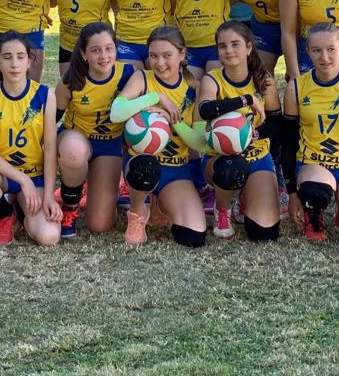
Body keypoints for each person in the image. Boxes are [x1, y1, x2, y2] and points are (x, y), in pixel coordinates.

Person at [281, 23, 339, 248]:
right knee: (315, 193)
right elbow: (288, 145)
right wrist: (293, 193)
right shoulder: (297, 88)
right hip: (313, 166)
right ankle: (313, 216)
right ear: (308, 52)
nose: (324, 57)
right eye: (317, 50)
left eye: (331, 49)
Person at [0, 31, 61, 246]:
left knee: (49, 237)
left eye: (20, 56)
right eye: (7, 57)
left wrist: (48, 195)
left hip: (35, 176)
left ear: (29, 61)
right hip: (4, 177)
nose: (14, 63)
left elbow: (51, 150)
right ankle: (6, 217)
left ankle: (26, 213)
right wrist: (22, 180)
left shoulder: (45, 95)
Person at [115, 26, 206, 248]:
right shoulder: (142, 78)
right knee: (145, 166)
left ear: (182, 54)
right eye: (153, 56)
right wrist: (156, 97)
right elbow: (116, 112)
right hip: (141, 164)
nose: (160, 62)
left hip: (175, 169)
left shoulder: (194, 87)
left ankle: (160, 204)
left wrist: (174, 121)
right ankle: (137, 212)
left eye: (167, 55)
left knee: (193, 237)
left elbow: (200, 142)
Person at [195, 21, 282, 241]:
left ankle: (245, 198)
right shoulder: (212, 79)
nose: (229, 50)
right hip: (221, 159)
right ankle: (222, 208)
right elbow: (206, 110)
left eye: (235, 44)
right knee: (230, 169)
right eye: (222, 46)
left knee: (263, 233)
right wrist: (246, 99)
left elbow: (276, 125)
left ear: (249, 47)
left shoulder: (265, 80)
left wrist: (248, 136)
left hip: (257, 156)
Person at [54, 22, 135, 237]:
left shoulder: (128, 74)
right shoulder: (71, 82)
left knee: (100, 225)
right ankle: (70, 204)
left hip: (109, 144)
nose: (104, 56)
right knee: (74, 150)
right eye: (95, 50)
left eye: (109, 48)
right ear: (83, 53)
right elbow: (50, 120)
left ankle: (101, 188)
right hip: (76, 139)